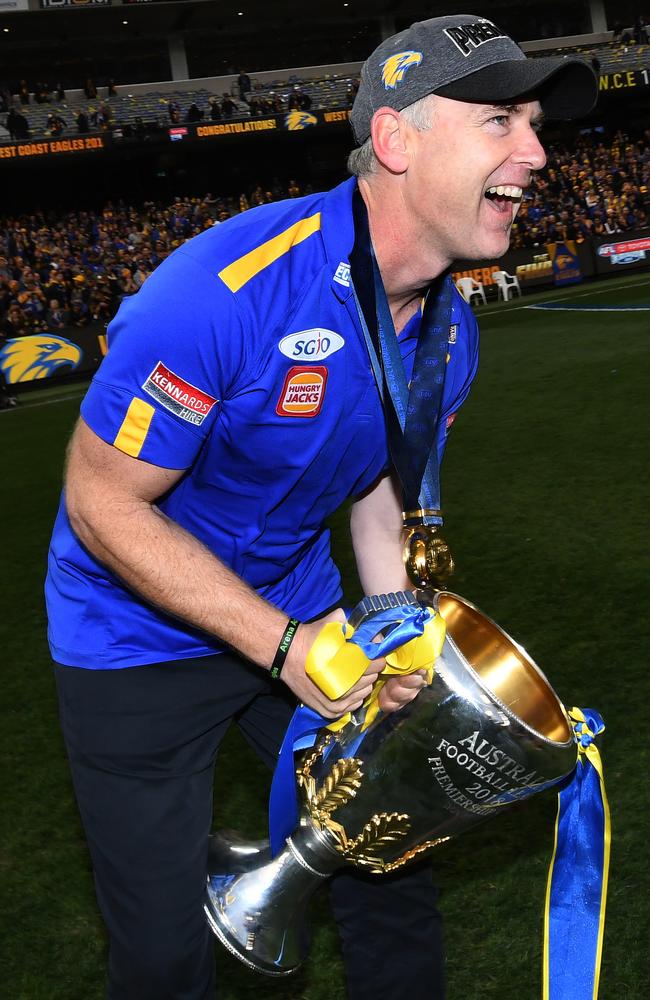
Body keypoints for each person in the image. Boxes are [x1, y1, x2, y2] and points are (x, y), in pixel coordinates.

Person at [45, 14, 596, 1000]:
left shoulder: (449, 334)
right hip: (129, 636)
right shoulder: (224, 290)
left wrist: (392, 636)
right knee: (165, 951)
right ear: (395, 141)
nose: (536, 152)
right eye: (499, 121)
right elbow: (100, 503)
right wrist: (285, 646)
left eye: (534, 124)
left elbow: (381, 495)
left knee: (388, 856)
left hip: (299, 610)